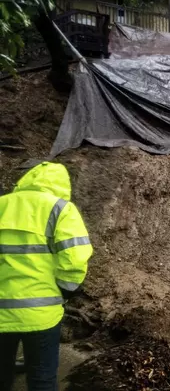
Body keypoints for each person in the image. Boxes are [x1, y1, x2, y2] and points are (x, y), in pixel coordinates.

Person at [0, 162, 93, 391]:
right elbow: (75, 258)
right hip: (42, 314)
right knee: (41, 379)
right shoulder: (61, 210)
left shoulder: (2, 205)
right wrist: (66, 289)